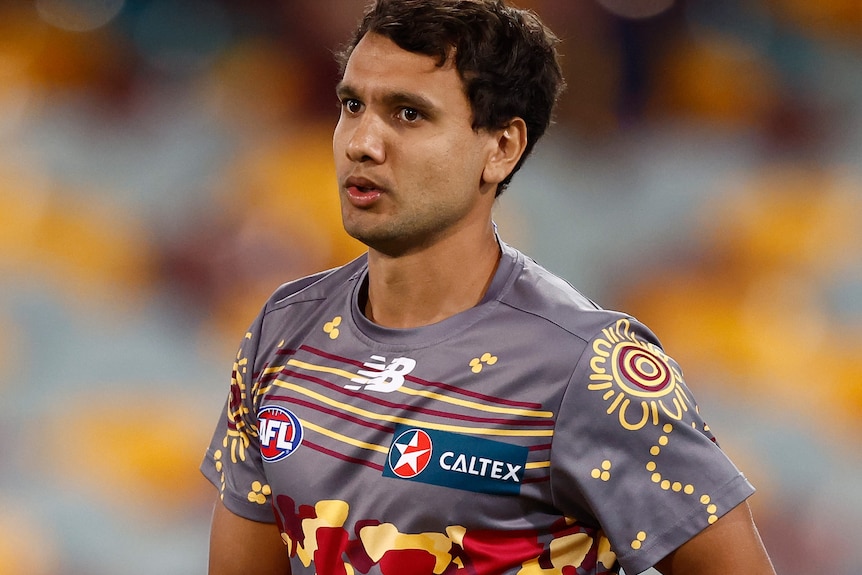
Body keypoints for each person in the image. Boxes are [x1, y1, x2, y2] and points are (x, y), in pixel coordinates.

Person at [201, 1, 777, 573]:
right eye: (352, 105)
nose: (362, 144)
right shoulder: (281, 328)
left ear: (501, 147)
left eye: (408, 114)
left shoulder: (591, 368)